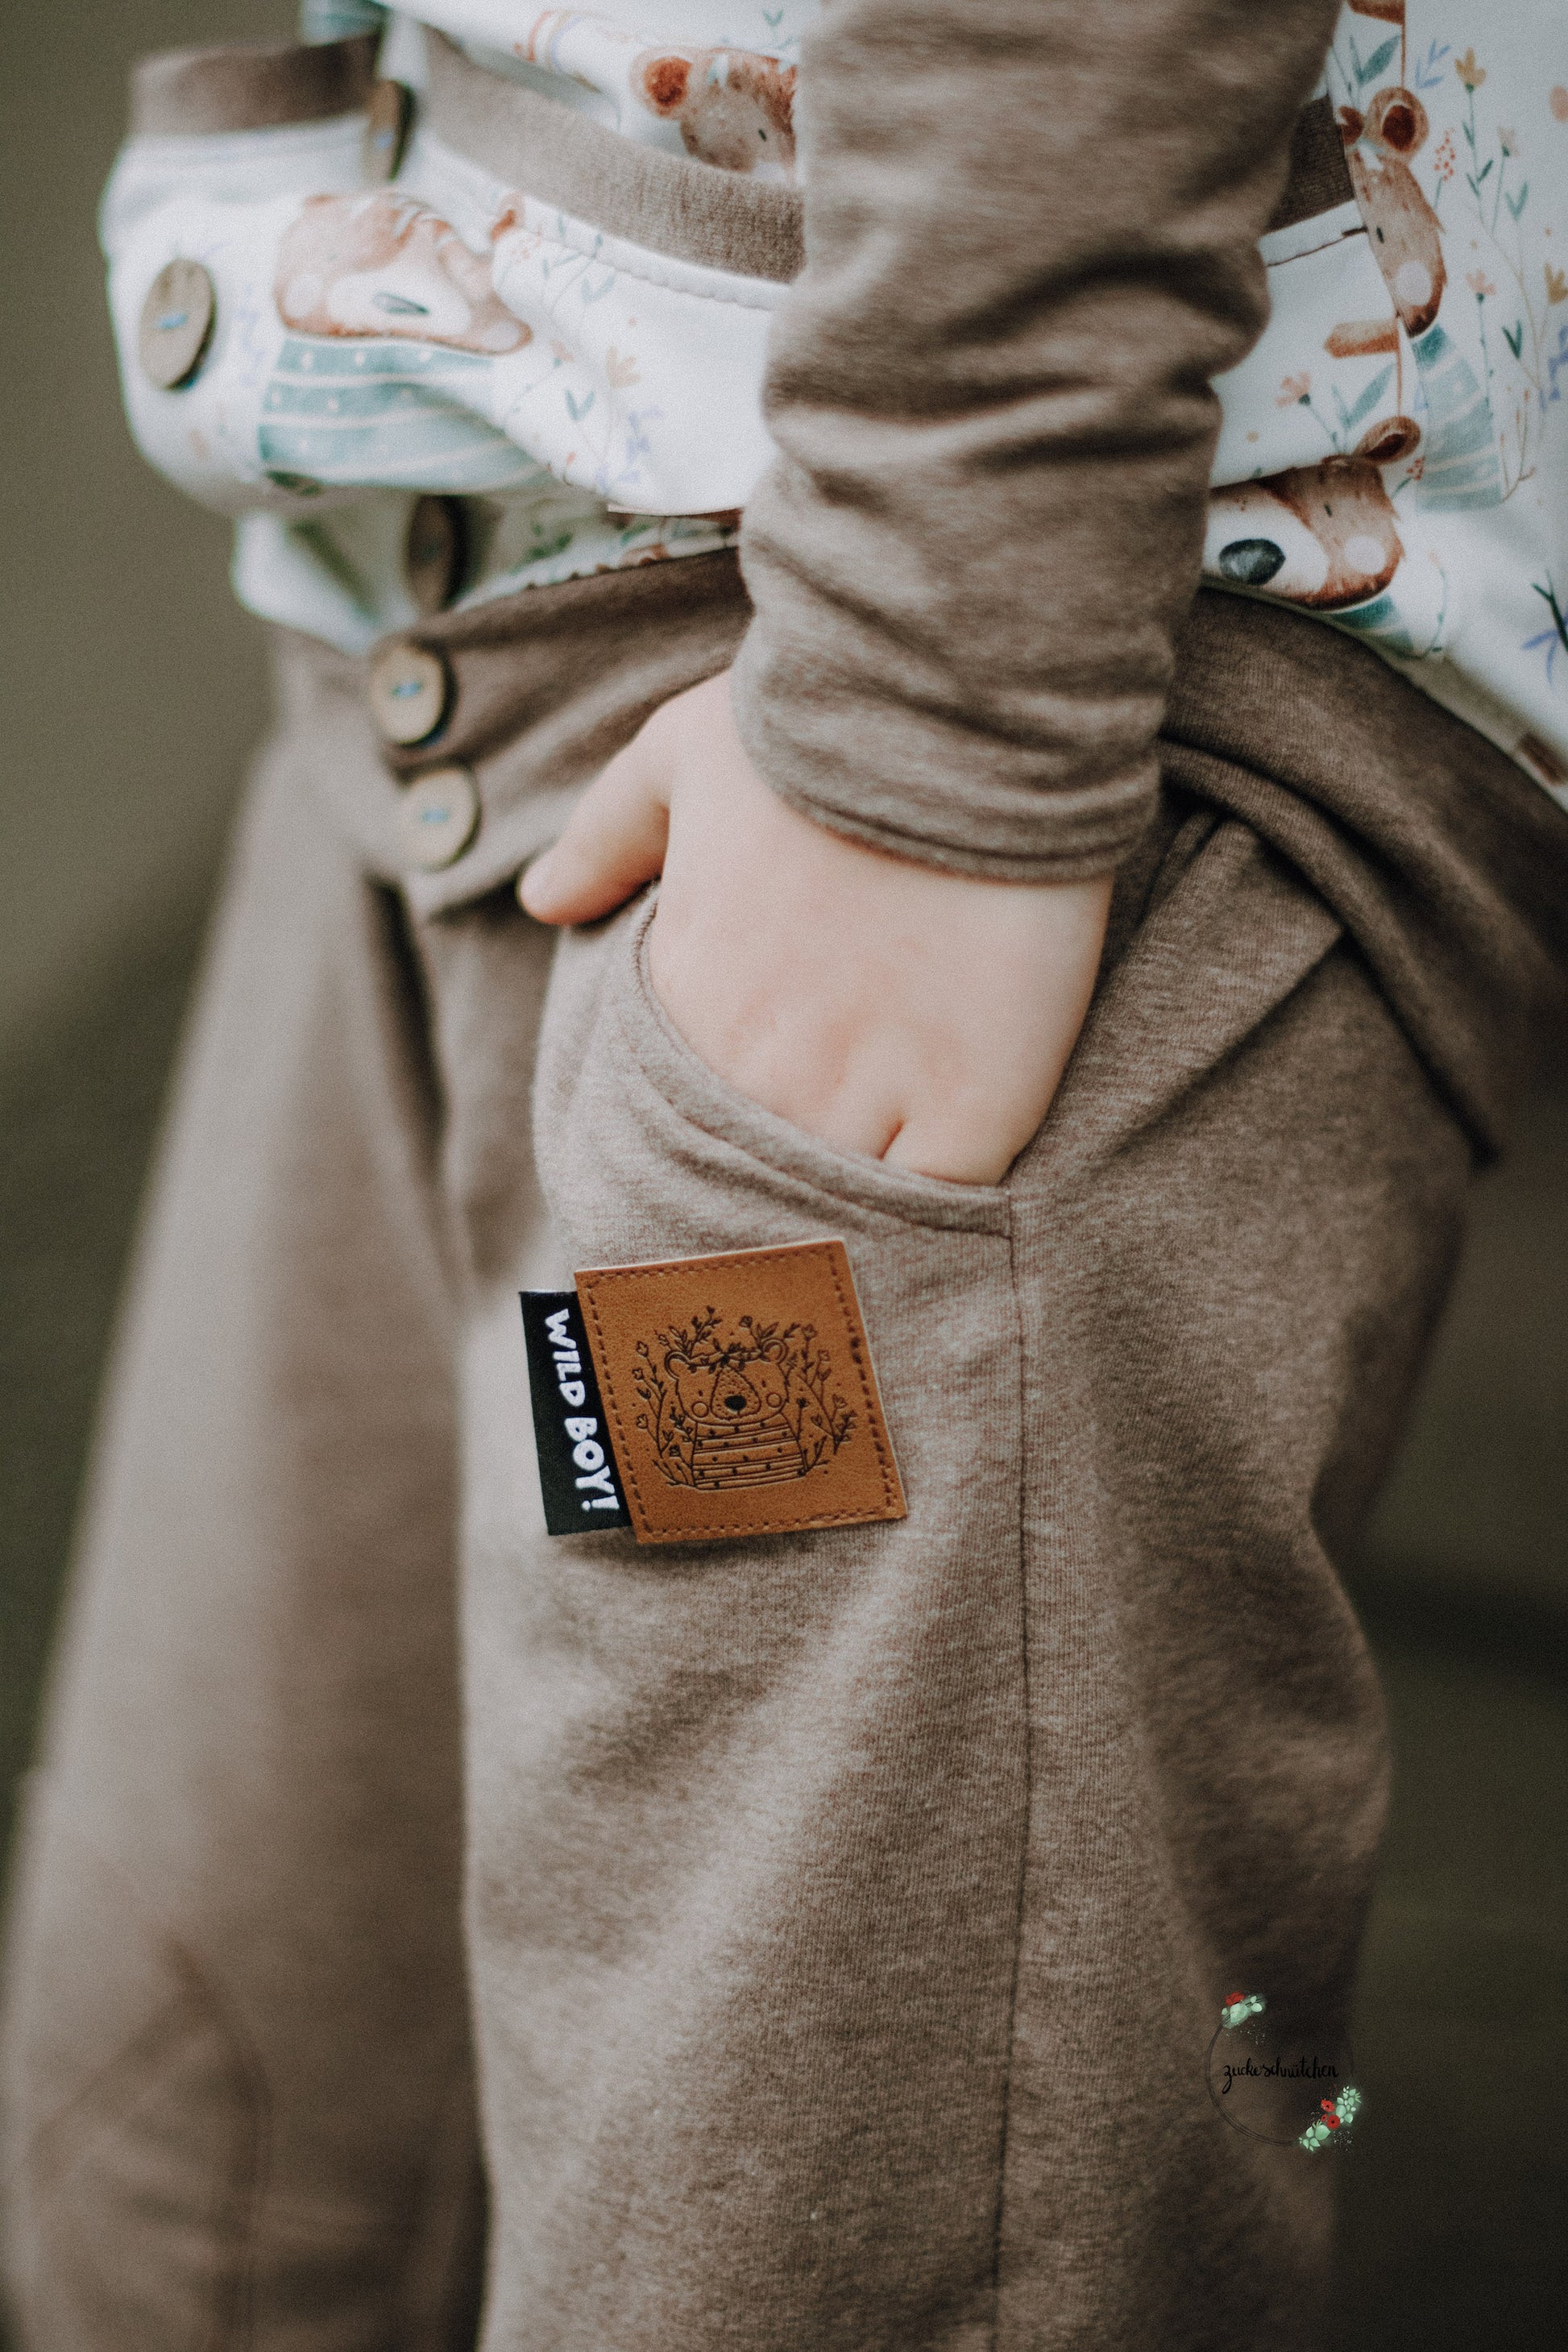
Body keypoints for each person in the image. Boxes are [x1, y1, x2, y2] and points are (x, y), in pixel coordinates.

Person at [3, 2, 1566, 2344]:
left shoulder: (927, 764)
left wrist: (926, 739)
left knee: (807, 2254)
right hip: (435, 608)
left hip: (947, 734)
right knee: (199, 2159)